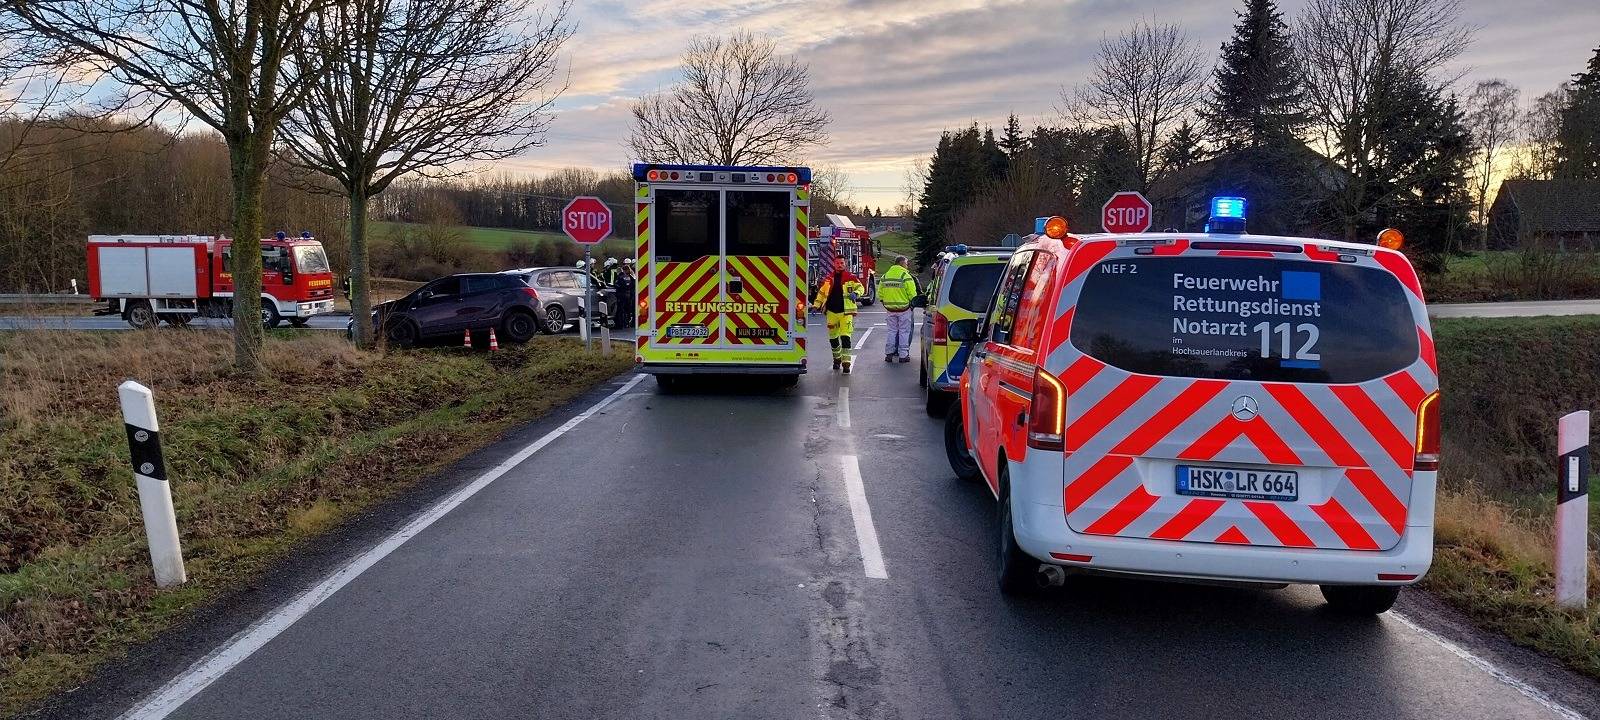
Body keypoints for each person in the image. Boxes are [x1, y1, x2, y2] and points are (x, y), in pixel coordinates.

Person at [812, 257, 863, 374]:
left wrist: (856, 293)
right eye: (837, 263)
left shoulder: (851, 278)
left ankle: (846, 363)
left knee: (845, 338)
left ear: (845, 264)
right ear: (834, 265)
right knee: (833, 339)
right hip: (831, 313)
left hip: (846, 313)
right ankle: (836, 359)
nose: (839, 265)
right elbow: (821, 293)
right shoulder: (829, 279)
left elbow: (861, 287)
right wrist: (816, 305)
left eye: (842, 263)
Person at [878, 255, 919, 363]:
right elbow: (912, 294)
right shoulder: (905, 276)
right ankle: (903, 355)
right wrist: (912, 304)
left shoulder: (885, 276)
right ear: (902, 263)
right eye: (906, 263)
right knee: (904, 332)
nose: (907, 266)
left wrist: (884, 302)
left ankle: (889, 354)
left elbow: (880, 293)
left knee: (892, 331)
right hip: (904, 309)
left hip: (890, 309)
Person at [615, 258, 636, 327]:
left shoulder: (621, 277)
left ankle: (623, 323)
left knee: (623, 310)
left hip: (625, 296)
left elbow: (618, 286)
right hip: (627, 296)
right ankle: (624, 323)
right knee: (626, 310)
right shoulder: (630, 277)